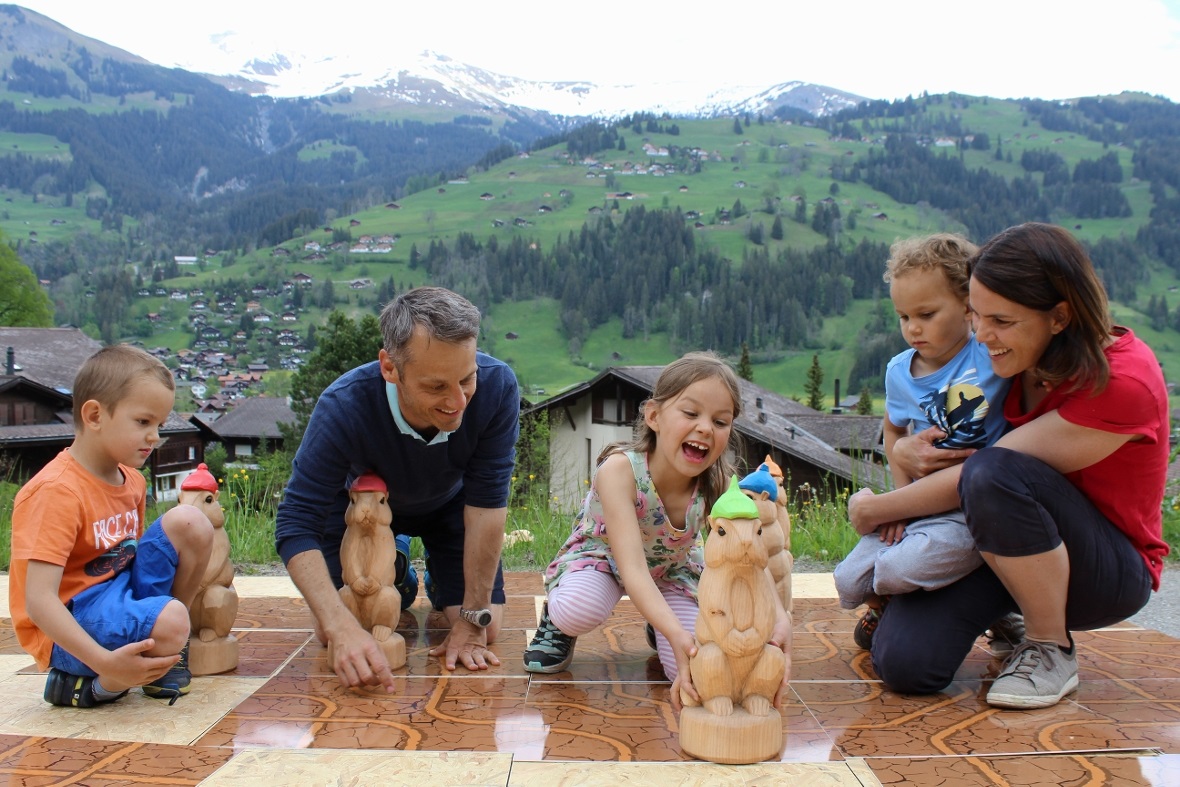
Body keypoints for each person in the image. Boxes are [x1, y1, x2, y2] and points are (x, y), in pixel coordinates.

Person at [848, 222, 1169, 709]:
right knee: (905, 664)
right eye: (976, 315)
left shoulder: (1122, 381)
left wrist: (876, 509)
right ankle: (1006, 618)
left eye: (1001, 320)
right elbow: (931, 424)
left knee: (993, 471)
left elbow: (989, 469)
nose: (982, 335)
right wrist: (900, 450)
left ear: (1059, 316)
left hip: (1102, 569)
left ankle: (1049, 646)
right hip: (997, 542)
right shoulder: (1014, 361)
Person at [274, 287, 520, 692]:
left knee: (486, 626)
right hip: (363, 510)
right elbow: (295, 522)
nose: (457, 401)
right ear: (389, 367)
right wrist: (339, 626)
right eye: (436, 386)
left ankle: (440, 578)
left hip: (450, 506)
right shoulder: (344, 405)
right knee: (336, 629)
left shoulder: (497, 389)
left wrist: (472, 619)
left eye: (466, 378)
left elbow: (487, 504)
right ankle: (397, 567)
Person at [522, 352, 792, 709]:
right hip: (603, 558)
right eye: (691, 413)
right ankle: (557, 621)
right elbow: (632, 569)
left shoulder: (723, 483)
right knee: (579, 609)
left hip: (673, 570)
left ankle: (658, 621)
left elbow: (751, 557)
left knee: (695, 667)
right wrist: (677, 632)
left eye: (721, 421)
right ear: (654, 416)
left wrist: (780, 616)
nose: (705, 428)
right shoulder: (619, 472)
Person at [832, 234, 1011, 650]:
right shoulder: (899, 371)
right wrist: (901, 499)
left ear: (969, 307)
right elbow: (894, 429)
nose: (912, 328)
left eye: (927, 314)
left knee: (897, 570)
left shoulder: (990, 355)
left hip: (970, 510)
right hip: (919, 504)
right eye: (903, 316)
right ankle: (884, 608)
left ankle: (995, 608)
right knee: (846, 579)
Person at [9, 345, 214, 707]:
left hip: (116, 591)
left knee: (191, 520)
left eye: (160, 425)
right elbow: (39, 603)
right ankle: (95, 685)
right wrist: (105, 663)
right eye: (143, 422)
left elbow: (129, 554)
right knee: (171, 621)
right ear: (94, 415)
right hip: (70, 620)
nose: (155, 437)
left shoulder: (132, 480)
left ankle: (167, 646)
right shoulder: (55, 492)